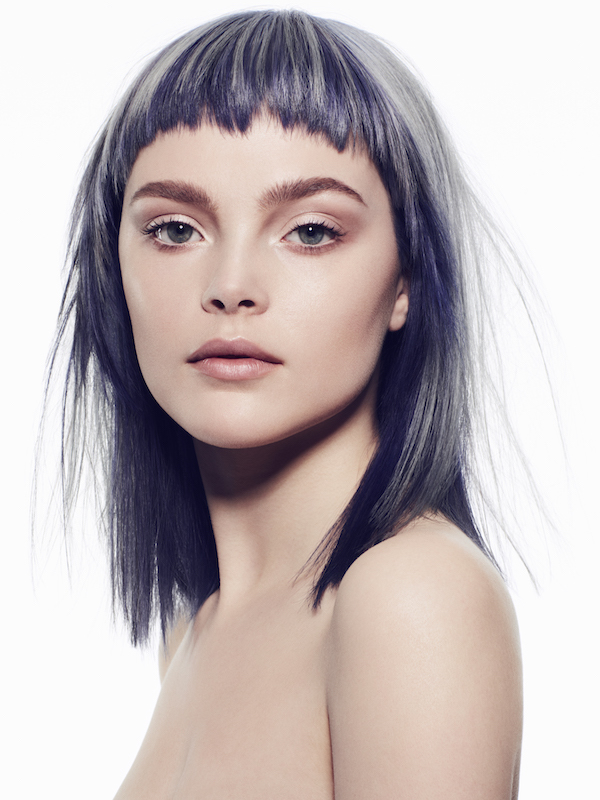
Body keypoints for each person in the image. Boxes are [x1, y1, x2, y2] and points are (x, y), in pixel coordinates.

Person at [51, 9, 524, 798]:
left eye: (309, 231)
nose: (231, 285)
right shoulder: (194, 633)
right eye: (176, 229)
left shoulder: (409, 596)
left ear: (406, 280)